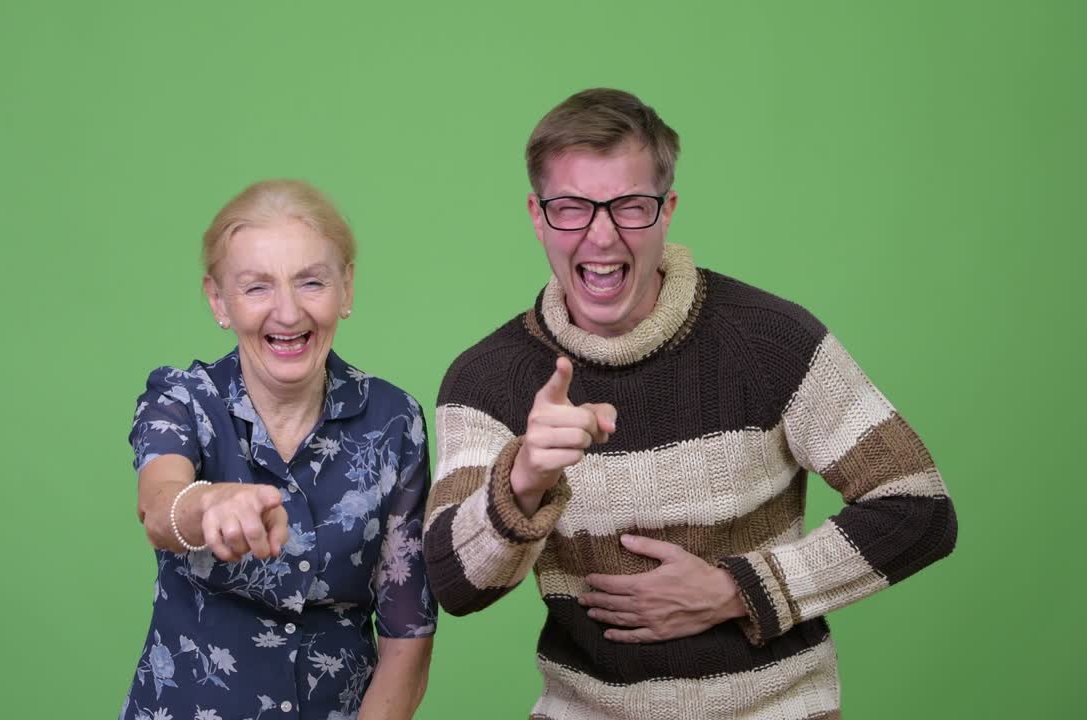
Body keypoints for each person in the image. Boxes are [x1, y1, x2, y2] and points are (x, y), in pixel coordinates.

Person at [422, 89, 957, 719]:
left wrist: (740, 589)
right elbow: (454, 585)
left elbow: (919, 509)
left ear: (667, 210)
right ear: (538, 217)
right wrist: (524, 481)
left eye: (630, 206)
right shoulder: (487, 378)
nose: (601, 235)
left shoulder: (771, 340)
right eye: (571, 208)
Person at [121, 180, 436, 720]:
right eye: (257, 288)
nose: (288, 314)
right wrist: (209, 505)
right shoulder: (182, 398)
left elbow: (408, 633)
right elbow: (159, 505)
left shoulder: (394, 421)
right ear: (219, 301)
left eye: (311, 282)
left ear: (347, 289)